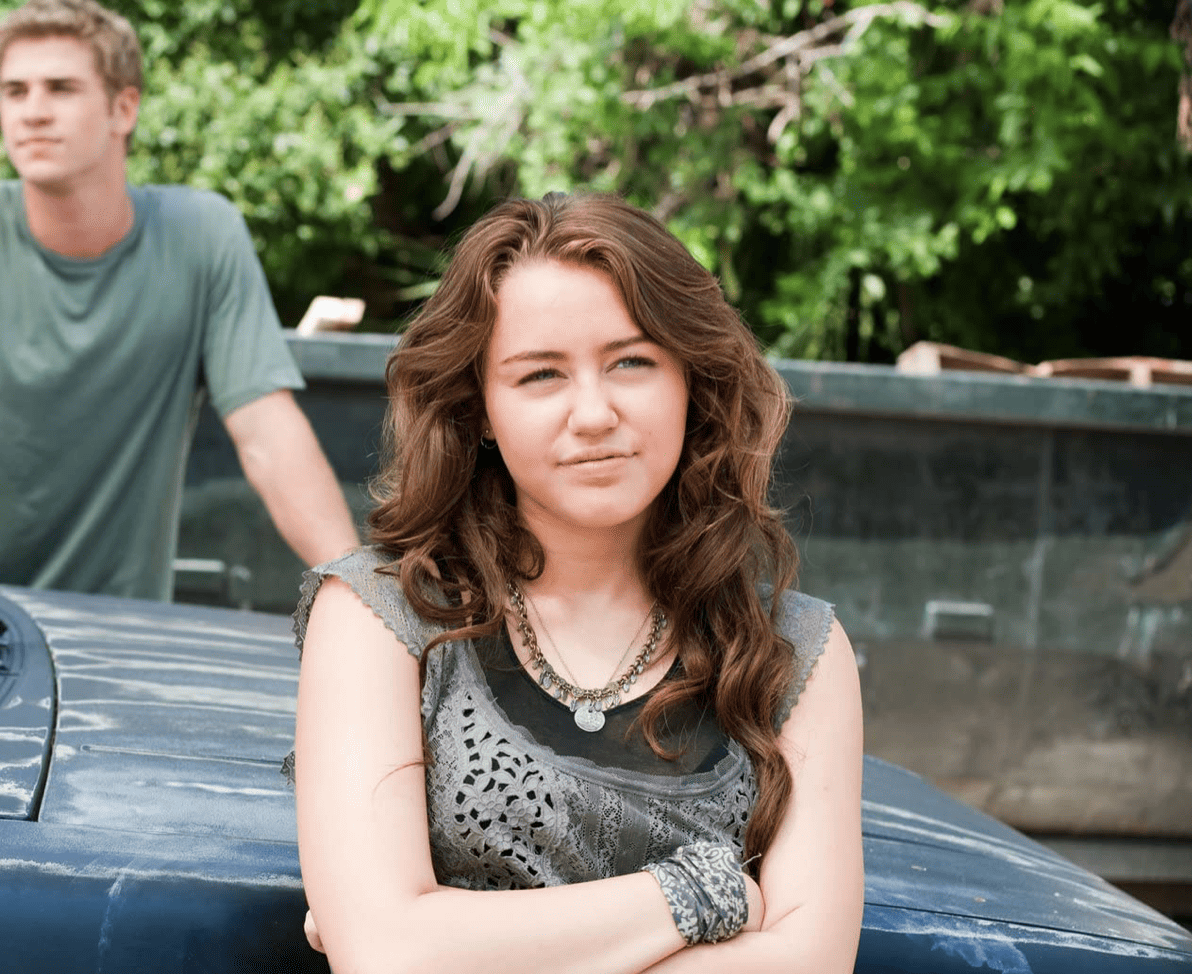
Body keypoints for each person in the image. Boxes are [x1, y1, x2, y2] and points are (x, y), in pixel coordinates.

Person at [291, 193, 864, 971]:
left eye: (631, 362)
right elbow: (388, 954)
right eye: (540, 376)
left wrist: (457, 944)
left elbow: (810, 964)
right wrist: (705, 897)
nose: (593, 414)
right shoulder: (378, 616)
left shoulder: (796, 654)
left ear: (690, 380)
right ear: (481, 408)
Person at [0, 0, 358, 599]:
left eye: (61, 88)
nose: (33, 112)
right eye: (14, 91)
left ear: (123, 108)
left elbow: (268, 436)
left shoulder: (202, 236)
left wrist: (355, 586)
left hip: (121, 633)